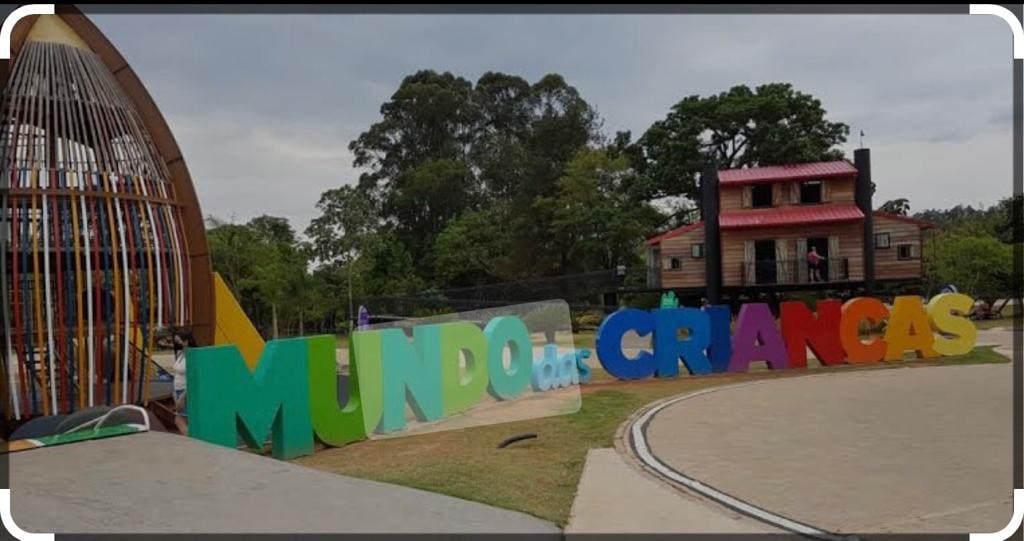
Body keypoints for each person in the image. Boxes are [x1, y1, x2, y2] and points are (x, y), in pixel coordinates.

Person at [170, 330, 193, 435]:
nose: (176, 343)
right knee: (186, 420)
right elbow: (177, 374)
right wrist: (175, 393)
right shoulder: (181, 354)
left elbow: (193, 378)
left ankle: (193, 443)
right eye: (175, 340)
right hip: (178, 390)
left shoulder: (191, 355)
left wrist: (182, 397)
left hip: (185, 391)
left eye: (178, 340)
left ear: (186, 341)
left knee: (178, 420)